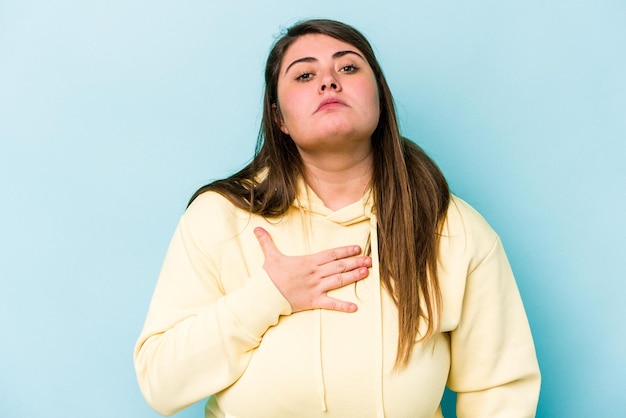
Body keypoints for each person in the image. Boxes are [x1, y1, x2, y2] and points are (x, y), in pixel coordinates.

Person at [134, 19, 541, 418]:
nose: (329, 81)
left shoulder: (453, 229)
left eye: (348, 67)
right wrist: (268, 295)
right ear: (279, 119)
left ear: (380, 98)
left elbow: (499, 389)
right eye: (305, 75)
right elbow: (161, 383)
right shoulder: (219, 218)